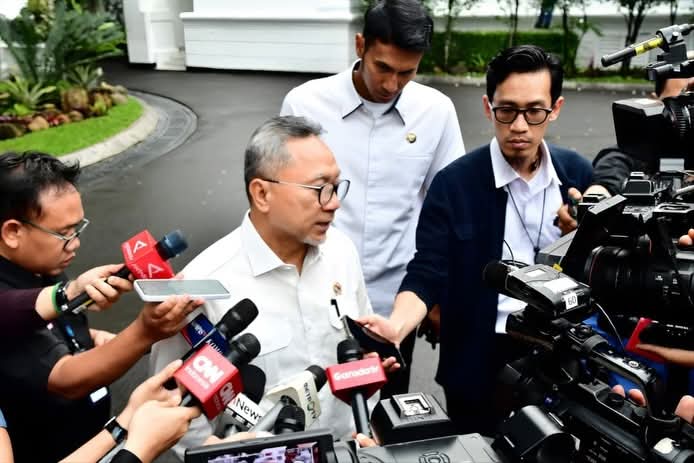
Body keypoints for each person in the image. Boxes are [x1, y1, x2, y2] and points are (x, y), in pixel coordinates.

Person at [357, 45, 593, 435]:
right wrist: (398, 326)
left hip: (560, 355)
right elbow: (427, 270)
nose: (520, 126)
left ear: (555, 108)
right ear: (488, 107)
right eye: (507, 110)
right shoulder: (454, 184)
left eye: (534, 111)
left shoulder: (576, 176)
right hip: (478, 361)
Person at [150, 116, 397, 457]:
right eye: (319, 189)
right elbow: (171, 412)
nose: (334, 203)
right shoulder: (203, 285)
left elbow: (360, 355)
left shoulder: (342, 252)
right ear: (262, 193)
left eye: (336, 186)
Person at [280, 0, 465, 396]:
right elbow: (283, 201)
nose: (392, 85)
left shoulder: (436, 112)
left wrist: (436, 296)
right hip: (314, 299)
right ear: (360, 45)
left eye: (407, 72)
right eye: (383, 67)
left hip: (394, 307)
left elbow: (448, 210)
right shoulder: (304, 105)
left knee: (385, 415)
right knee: (310, 405)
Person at [0, 151, 202, 462]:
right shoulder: (8, 304)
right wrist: (143, 333)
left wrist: (92, 338)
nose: (75, 243)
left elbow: (54, 332)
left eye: (77, 229)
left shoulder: (41, 265)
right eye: (64, 234)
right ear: (13, 232)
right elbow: (64, 379)